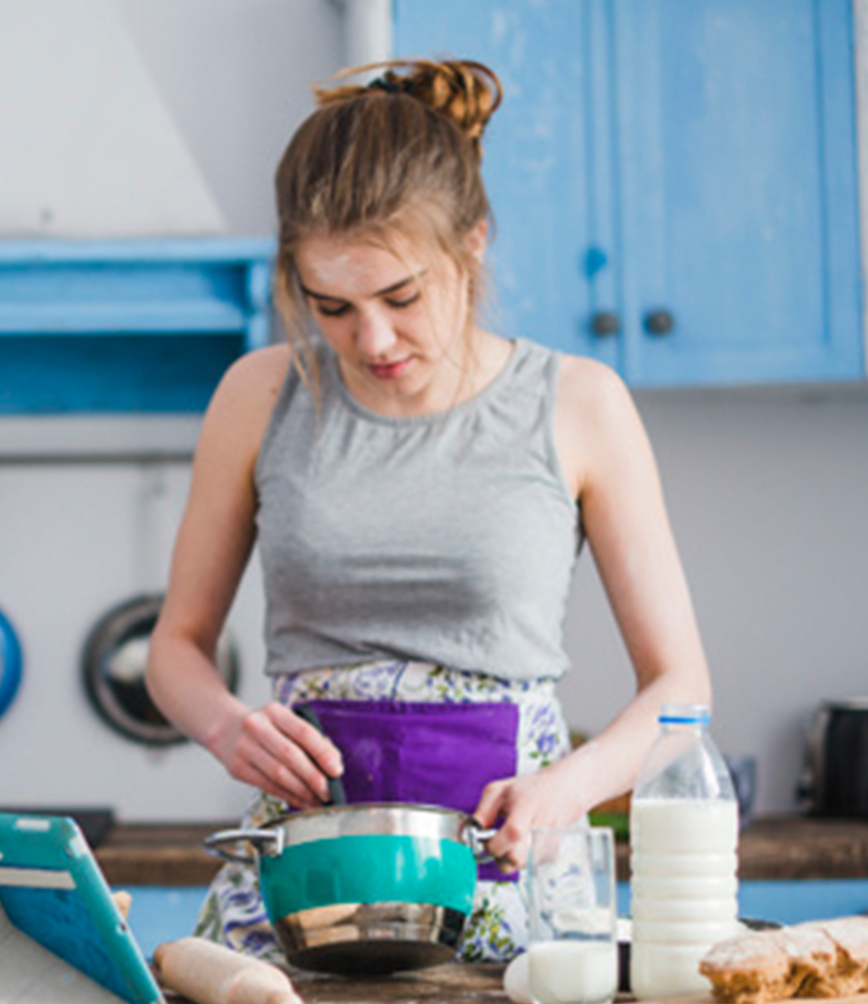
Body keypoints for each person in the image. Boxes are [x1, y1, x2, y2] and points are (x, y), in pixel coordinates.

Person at [143, 57, 713, 962]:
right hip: (301, 886)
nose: (370, 340)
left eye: (401, 297)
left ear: (473, 240)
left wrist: (569, 787)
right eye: (329, 306)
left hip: (512, 879)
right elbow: (174, 647)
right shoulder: (260, 396)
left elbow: (681, 689)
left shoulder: (577, 403)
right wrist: (223, 725)